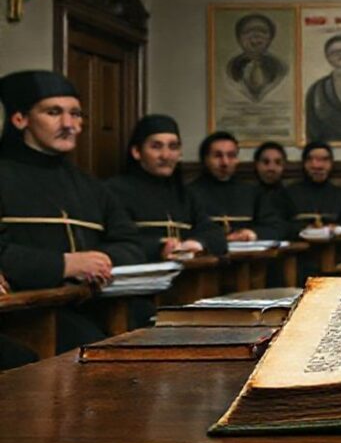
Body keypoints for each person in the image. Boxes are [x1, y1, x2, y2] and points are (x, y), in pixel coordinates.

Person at [0, 70, 145, 355]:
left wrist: (96, 262)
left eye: (76, 114)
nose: (69, 124)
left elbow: (132, 245)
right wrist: (64, 265)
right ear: (20, 119)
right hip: (22, 316)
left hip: (91, 304)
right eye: (54, 112)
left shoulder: (91, 185)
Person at [106, 115, 227, 262]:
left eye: (173, 147)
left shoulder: (186, 194)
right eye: (156, 147)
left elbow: (214, 233)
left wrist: (195, 243)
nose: (166, 155)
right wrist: (159, 249)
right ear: (137, 152)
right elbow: (116, 241)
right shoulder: (114, 191)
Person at [188, 132, 283, 242]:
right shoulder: (189, 193)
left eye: (231, 155)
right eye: (218, 156)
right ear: (205, 159)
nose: (225, 162)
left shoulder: (253, 193)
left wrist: (252, 234)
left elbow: (276, 227)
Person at [284, 141, 341, 235]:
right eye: (312, 160)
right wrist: (304, 229)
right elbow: (279, 225)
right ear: (304, 164)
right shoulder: (288, 194)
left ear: (331, 164)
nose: (318, 166)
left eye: (324, 160)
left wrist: (337, 229)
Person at [226, 13, 288, 102]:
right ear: (238, 38)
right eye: (248, 32)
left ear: (271, 37)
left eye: (262, 31)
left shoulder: (280, 67)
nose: (255, 36)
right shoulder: (231, 68)